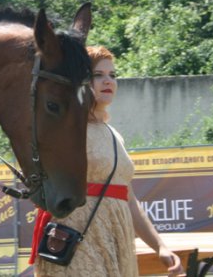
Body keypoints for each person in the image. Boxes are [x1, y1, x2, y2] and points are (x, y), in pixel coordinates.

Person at [29, 46, 183, 277]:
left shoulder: (113, 134)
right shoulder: (65, 129)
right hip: (76, 234)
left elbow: (128, 199)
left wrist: (160, 246)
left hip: (116, 238)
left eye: (112, 75)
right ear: (80, 81)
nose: (108, 81)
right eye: (98, 75)